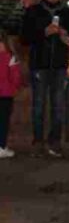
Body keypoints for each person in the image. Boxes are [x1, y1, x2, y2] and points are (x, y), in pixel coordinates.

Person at [21, 0, 69, 158]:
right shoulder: (34, 11)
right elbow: (25, 37)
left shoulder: (65, 13)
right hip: (40, 65)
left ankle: (54, 142)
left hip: (59, 66)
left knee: (58, 106)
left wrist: (65, 36)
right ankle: (38, 141)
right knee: (38, 105)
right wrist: (44, 32)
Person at [0, 29, 23, 158]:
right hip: (5, 94)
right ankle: (1, 146)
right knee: (3, 122)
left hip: (6, 93)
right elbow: (16, 77)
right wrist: (14, 88)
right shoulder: (10, 57)